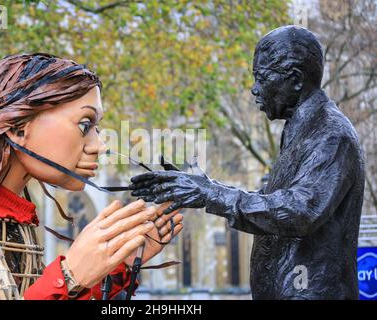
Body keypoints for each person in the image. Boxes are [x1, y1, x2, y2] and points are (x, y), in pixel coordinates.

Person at [130, 25, 365, 299]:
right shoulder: (301, 129)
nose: (254, 89)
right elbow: (274, 206)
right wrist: (203, 188)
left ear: (296, 79)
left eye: (261, 77)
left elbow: (300, 211)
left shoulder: (330, 134)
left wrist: (210, 194)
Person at [0, 53, 183, 300]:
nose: (100, 145)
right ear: (18, 128)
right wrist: (70, 275)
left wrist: (116, 265)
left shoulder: (12, 221)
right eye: (85, 125)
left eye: (97, 128)